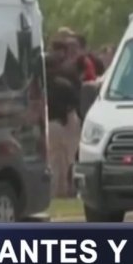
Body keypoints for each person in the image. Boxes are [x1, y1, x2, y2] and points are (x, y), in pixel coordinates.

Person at [45, 43, 81, 198]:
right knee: (66, 161)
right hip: (62, 124)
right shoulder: (64, 84)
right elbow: (73, 107)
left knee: (52, 161)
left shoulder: (38, 87)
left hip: (46, 125)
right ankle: (65, 190)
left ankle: (54, 192)